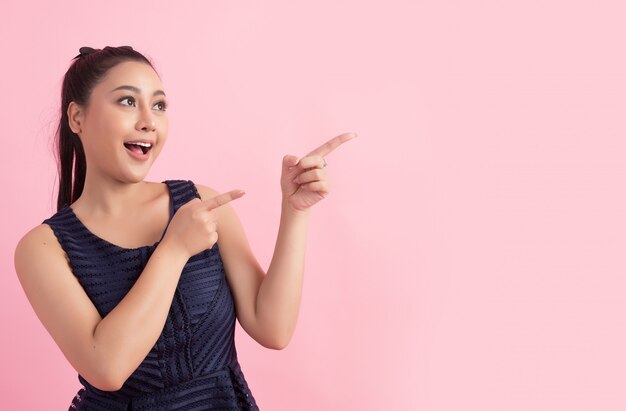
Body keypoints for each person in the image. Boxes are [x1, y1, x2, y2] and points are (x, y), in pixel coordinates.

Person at [13, 45, 356, 410]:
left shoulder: (201, 205)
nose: (149, 120)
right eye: (127, 102)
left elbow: (273, 328)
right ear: (77, 117)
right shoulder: (45, 248)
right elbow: (107, 367)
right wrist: (173, 251)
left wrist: (295, 210)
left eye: (159, 105)